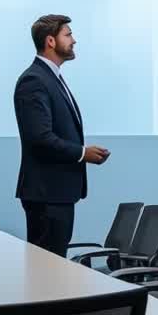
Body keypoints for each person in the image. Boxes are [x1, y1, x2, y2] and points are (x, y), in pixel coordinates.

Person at [14, 14, 109, 257]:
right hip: (47, 194)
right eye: (68, 35)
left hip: (57, 193)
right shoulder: (34, 80)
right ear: (51, 41)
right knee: (47, 270)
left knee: (51, 267)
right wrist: (82, 153)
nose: (74, 40)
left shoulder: (51, 78)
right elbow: (40, 139)